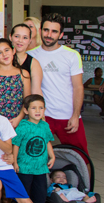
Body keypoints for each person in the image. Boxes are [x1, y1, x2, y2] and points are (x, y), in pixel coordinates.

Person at [28, 13, 89, 164]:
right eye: (46, 30)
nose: (49, 35)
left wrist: (75, 115)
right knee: (34, 155)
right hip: (41, 115)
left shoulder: (71, 55)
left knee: (82, 157)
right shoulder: (30, 55)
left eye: (54, 31)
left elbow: (78, 87)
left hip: (67, 116)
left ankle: (86, 188)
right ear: (40, 30)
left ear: (61, 34)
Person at [12, 94, 55, 203]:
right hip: (24, 167)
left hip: (40, 168)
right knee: (22, 192)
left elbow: (47, 141)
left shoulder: (45, 126)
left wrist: (52, 156)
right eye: (34, 108)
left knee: (40, 193)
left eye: (41, 108)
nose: (38, 111)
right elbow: (16, 144)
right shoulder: (22, 126)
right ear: (25, 110)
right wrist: (14, 162)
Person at [0, 39, 31, 128]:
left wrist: (18, 119)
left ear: (13, 51)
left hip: (19, 122)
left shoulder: (23, 74)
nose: (4, 54)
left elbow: (27, 101)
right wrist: (0, 120)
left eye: (7, 50)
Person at [10, 23, 43, 95]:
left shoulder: (34, 63)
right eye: (17, 36)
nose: (20, 40)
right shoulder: (0, 58)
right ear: (10, 37)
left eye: (25, 38)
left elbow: (36, 91)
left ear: (30, 40)